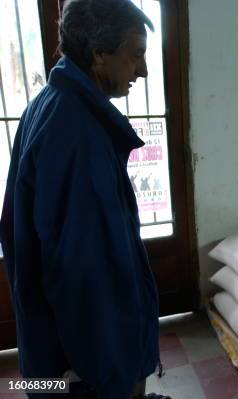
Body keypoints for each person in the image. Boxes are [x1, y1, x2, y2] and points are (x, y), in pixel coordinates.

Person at [0, 1, 169, 397]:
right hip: (85, 360)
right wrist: (115, 376)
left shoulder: (48, 104)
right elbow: (89, 279)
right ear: (98, 54)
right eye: (136, 55)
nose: (143, 71)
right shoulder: (81, 138)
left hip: (52, 347)